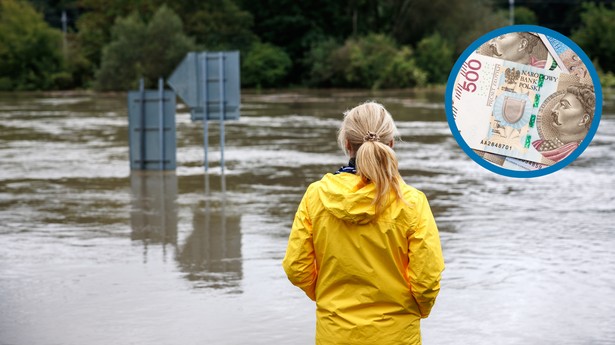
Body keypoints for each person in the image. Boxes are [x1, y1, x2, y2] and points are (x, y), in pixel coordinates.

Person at [282, 101, 445, 345]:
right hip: (396, 335)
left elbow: (297, 268)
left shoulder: (316, 196)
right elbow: (427, 280)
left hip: (335, 333)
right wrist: (416, 311)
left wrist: (327, 296)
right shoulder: (411, 202)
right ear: (390, 144)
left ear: (346, 144)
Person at [532, 84, 595, 162]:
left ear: (583, 119)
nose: (553, 109)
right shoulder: (537, 145)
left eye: (564, 105)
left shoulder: (582, 153)